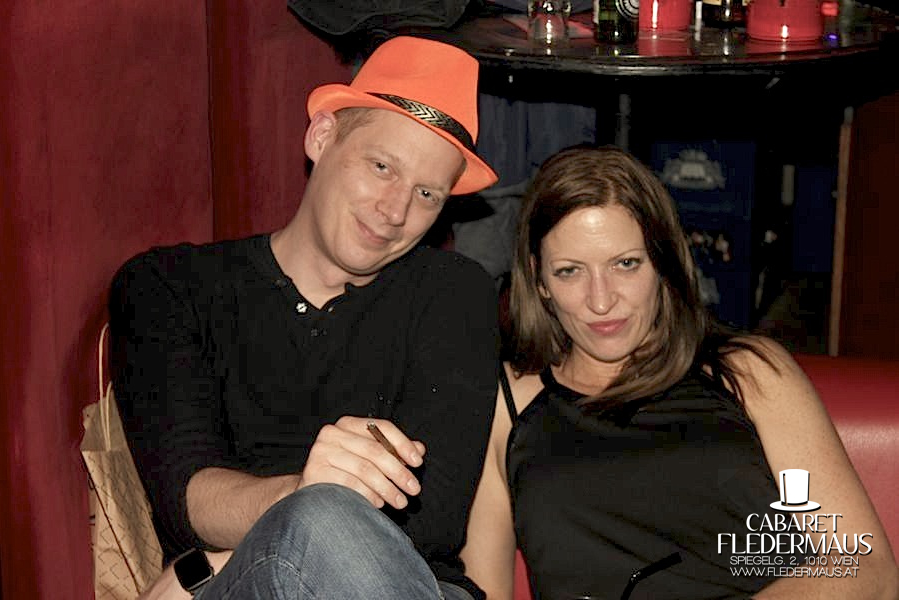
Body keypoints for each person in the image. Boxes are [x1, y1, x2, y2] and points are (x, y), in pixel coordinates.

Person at [109, 36, 501, 600]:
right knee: (319, 518)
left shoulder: (454, 293)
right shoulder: (172, 285)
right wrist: (302, 498)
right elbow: (186, 500)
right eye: (382, 166)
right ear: (321, 137)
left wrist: (223, 560)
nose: (395, 211)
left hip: (415, 585)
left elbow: (432, 519)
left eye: (426, 194)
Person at [460, 145, 899, 599]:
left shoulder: (745, 371)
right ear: (539, 281)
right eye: (570, 271)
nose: (601, 300)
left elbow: (868, 571)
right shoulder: (505, 405)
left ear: (663, 262)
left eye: (626, 264)